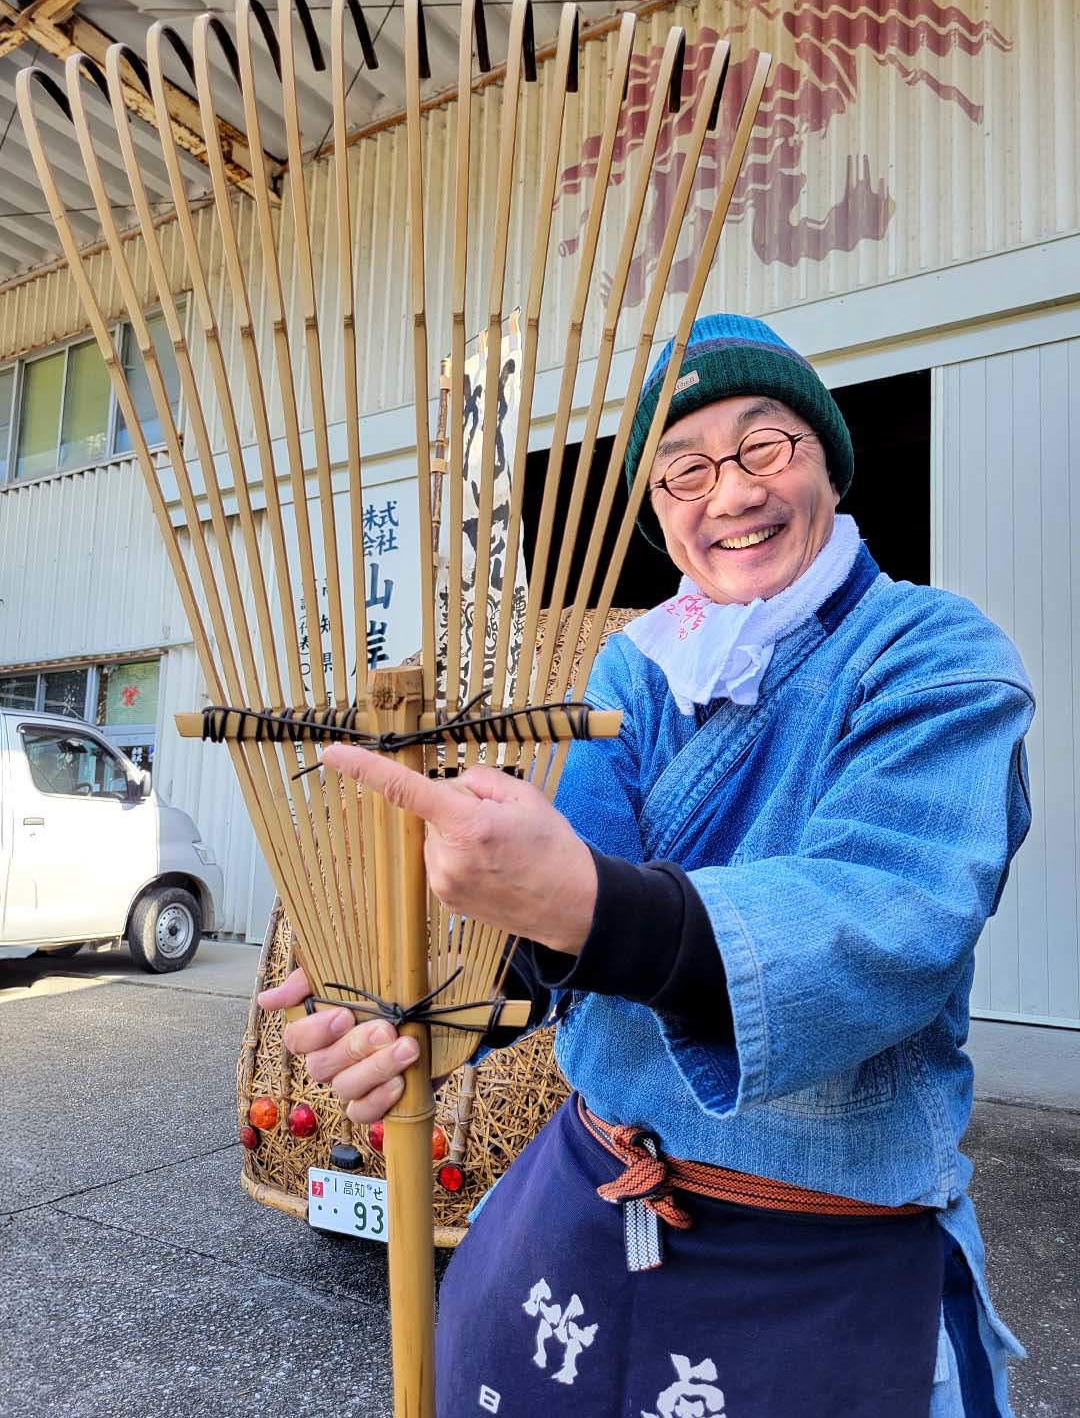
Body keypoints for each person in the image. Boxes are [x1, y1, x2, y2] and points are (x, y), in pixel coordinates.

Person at [261, 313, 1034, 1418]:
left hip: (820, 1236)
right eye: (684, 471)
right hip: (591, 1187)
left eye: (766, 446)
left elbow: (891, 915)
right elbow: (556, 938)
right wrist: (418, 1007)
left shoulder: (936, 652)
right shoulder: (631, 667)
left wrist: (577, 899)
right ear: (661, 514)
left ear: (828, 459)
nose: (730, 494)